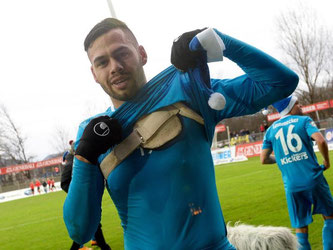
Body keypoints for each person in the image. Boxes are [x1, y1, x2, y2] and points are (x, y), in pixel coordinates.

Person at [63, 18, 298, 249]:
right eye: (102, 62)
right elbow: (80, 231)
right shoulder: (92, 134)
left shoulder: (189, 91)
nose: (115, 67)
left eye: (122, 53)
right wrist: (84, 156)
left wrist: (217, 41)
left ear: (142, 54)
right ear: (94, 73)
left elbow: (281, 83)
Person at [260, 95, 333, 250]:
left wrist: (280, 159)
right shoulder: (304, 121)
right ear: (289, 107)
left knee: (301, 228)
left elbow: (264, 159)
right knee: (330, 217)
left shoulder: (271, 130)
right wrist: (326, 161)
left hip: (292, 186)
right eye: (297, 104)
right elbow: (320, 140)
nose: (300, 106)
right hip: (314, 179)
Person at [61, 141, 111, 250]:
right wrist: (78, 193)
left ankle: (98, 243)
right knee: (91, 224)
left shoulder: (78, 160)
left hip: (86, 197)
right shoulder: (72, 161)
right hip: (80, 199)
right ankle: (104, 247)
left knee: (92, 223)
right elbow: (64, 183)